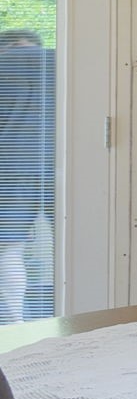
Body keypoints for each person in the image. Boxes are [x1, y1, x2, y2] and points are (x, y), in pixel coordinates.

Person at [0, 30, 54, 325]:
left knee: (10, 248)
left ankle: (16, 323)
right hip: (64, 164)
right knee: (72, 243)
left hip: (11, 168)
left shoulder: (3, 66)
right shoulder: (63, 62)